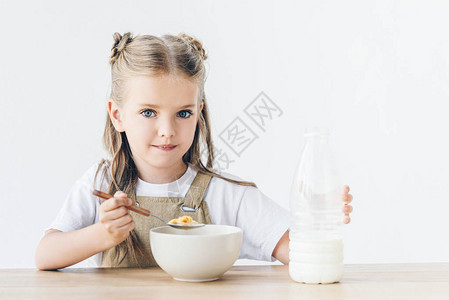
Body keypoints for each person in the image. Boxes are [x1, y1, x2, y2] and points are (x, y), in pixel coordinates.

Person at [35, 32, 354, 270]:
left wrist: (317, 219)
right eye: (148, 112)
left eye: (183, 113)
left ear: (199, 112)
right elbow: (45, 256)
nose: (167, 130)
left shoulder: (226, 194)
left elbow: (297, 253)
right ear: (117, 115)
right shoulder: (100, 182)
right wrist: (101, 235)